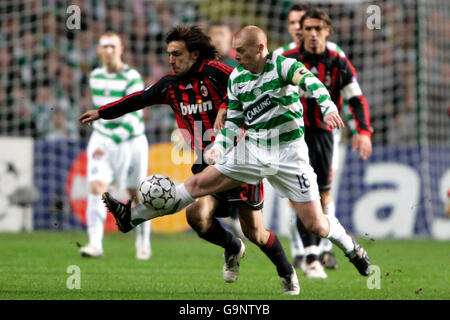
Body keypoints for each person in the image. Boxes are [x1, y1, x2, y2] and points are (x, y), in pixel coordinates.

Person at [80, 26, 372, 293]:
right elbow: (231, 121)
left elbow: (310, 81)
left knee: (313, 225)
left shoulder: (281, 65)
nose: (235, 56)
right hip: (250, 150)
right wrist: (219, 146)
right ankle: (132, 216)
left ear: (260, 48)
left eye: (241, 50)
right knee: (194, 191)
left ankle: (347, 247)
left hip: (290, 153)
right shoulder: (237, 79)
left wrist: (327, 105)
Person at [282, 8, 373, 278]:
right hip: (292, 135)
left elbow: (355, 98)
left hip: (323, 135)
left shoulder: (337, 61)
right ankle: (310, 257)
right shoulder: (287, 60)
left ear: (327, 31)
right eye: (306, 28)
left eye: (317, 29)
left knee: (321, 196)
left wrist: (363, 131)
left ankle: (323, 249)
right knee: (300, 194)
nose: (311, 33)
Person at [79, 31, 152, 260]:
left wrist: (115, 139)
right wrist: (105, 139)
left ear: (121, 49)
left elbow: (134, 115)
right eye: (104, 46)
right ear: (99, 50)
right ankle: (94, 243)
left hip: (131, 141)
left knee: (135, 194)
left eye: (113, 46)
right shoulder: (95, 76)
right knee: (96, 187)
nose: (108, 50)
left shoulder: (132, 77)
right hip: (103, 139)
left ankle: (143, 239)